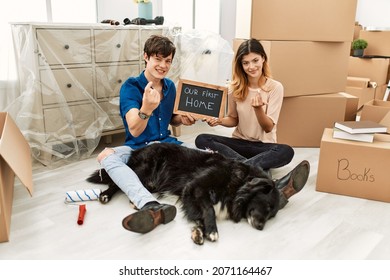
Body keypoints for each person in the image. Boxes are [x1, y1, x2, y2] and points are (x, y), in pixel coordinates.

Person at [96, 35, 196, 234]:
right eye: (158, 59)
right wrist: (147, 109)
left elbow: (171, 119)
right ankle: (149, 204)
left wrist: (181, 119)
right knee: (107, 157)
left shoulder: (170, 87)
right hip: (138, 148)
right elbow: (134, 128)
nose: (163, 65)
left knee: (205, 157)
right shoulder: (131, 87)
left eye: (167, 61)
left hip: (167, 145)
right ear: (146, 57)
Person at [195, 38, 310, 208]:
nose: (251, 67)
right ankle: (267, 181)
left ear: (263, 58)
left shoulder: (275, 88)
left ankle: (235, 172)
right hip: (239, 143)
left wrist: (258, 110)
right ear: (240, 65)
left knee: (286, 151)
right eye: (245, 63)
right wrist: (218, 121)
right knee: (202, 138)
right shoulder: (235, 88)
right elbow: (234, 119)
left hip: (264, 146)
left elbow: (268, 126)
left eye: (255, 60)